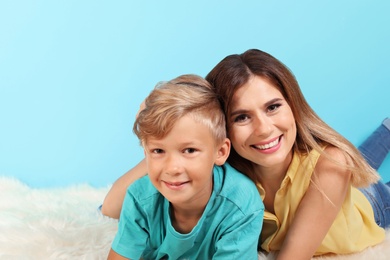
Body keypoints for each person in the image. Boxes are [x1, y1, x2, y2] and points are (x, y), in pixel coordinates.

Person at [102, 49, 390, 259]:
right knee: (355, 156)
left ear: (293, 105)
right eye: (241, 117)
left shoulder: (331, 165)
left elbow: (291, 256)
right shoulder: (220, 170)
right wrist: (166, 133)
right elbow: (110, 209)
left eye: (273, 107)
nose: (264, 129)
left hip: (373, 207)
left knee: (350, 161)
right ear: (222, 134)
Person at [107, 74, 264, 260]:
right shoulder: (140, 198)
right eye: (158, 151)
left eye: (189, 150)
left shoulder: (240, 204)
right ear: (145, 153)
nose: (173, 168)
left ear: (220, 152)